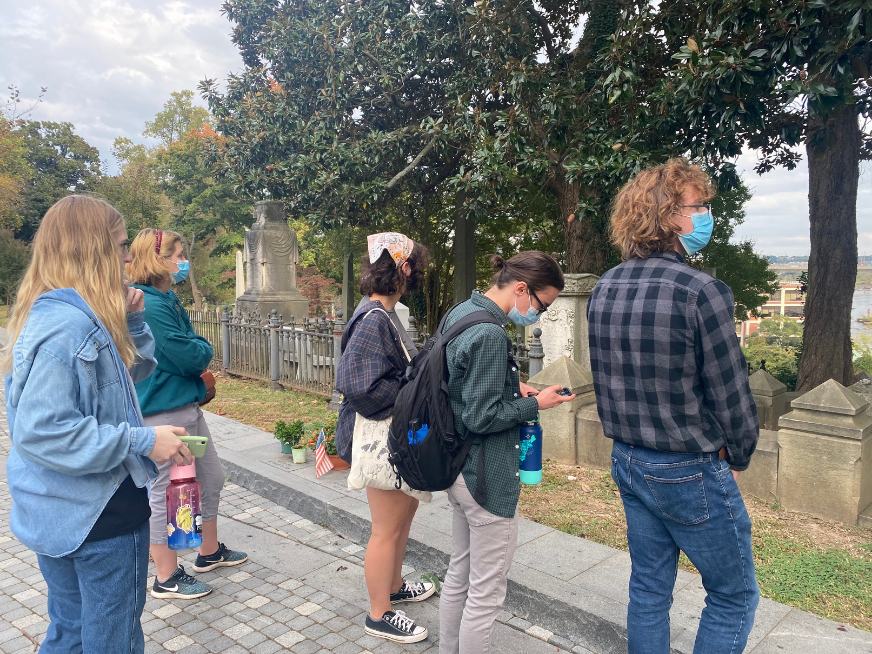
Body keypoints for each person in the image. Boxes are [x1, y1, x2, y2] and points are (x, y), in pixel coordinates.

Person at [2, 196, 191, 654]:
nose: (128, 257)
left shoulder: (57, 314)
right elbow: (41, 431)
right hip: (98, 514)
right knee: (113, 639)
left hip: (61, 511)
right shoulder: (68, 327)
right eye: (122, 245)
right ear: (92, 249)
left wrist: (135, 321)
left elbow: (130, 376)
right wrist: (144, 440)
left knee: (70, 631)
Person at [587, 159, 760, 654]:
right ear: (667, 215)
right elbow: (731, 390)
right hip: (688, 465)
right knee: (733, 594)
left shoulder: (606, 286)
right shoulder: (700, 290)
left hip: (629, 457)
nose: (706, 215)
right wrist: (740, 455)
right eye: (698, 206)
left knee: (648, 588)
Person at [439, 251, 574, 654]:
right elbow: (482, 416)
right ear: (521, 288)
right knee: (486, 592)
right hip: (486, 475)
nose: (539, 314)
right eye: (542, 304)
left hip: (457, 466)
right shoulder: (491, 334)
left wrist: (510, 389)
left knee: (458, 574)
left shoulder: (461, 312)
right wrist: (537, 404)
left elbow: (461, 386)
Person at [127, 228, 248, 600]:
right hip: (162, 411)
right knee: (164, 493)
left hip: (184, 404)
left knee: (210, 478)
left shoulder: (165, 299)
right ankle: (166, 575)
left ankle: (208, 552)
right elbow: (186, 353)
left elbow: (191, 348)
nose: (182, 260)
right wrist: (200, 350)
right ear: (157, 259)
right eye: (177, 253)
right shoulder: (148, 302)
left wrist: (197, 349)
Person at [335, 232, 436, 644]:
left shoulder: (378, 313)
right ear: (404, 268)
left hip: (392, 436)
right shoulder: (376, 318)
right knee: (386, 529)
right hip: (382, 439)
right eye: (416, 268)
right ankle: (379, 612)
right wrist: (411, 395)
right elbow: (357, 385)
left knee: (400, 520)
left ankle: (393, 588)